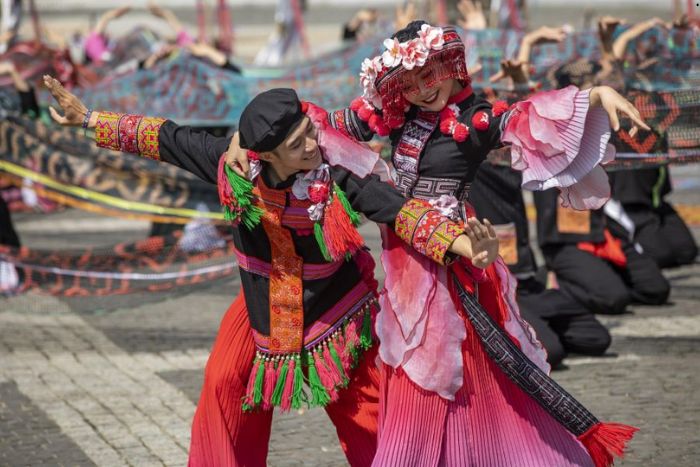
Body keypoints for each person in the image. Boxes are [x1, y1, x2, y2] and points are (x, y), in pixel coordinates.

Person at [229, 20, 647, 467]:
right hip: (405, 261)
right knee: (420, 366)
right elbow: (322, 126)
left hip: (451, 256)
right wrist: (247, 139)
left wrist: (593, 97)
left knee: (449, 369)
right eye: (409, 83)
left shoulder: (473, 120)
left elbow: (516, 118)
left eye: (431, 76)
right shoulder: (396, 117)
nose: (424, 90)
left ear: (451, 66)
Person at [45, 75, 498, 466]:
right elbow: (168, 139)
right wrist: (89, 119)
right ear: (267, 155)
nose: (311, 145)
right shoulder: (233, 166)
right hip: (260, 308)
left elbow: (399, 211)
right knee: (225, 387)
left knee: (370, 417)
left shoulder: (335, 177)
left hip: (337, 314)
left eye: (308, 131)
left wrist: (462, 245)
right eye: (296, 143)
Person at [470, 163, 612, 368]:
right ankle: (518, 333)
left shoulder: (516, 165)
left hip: (529, 283)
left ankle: (532, 329)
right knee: (551, 352)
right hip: (498, 287)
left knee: (595, 338)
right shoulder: (473, 166)